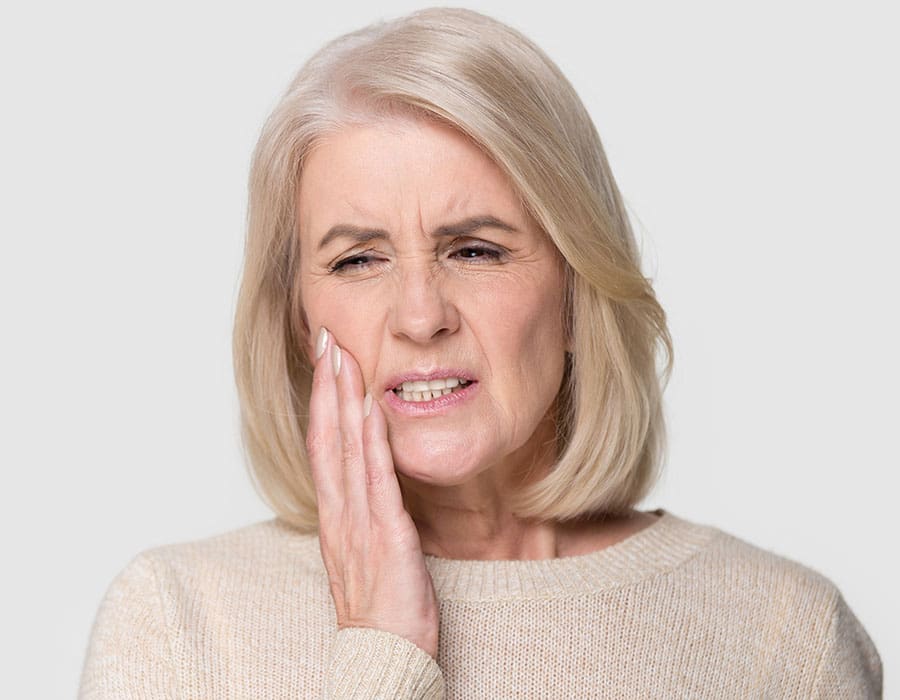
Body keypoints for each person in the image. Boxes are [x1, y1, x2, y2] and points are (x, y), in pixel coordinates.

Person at [78, 7, 882, 698]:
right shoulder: (178, 627)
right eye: (358, 260)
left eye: (475, 250)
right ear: (297, 316)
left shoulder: (784, 639)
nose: (420, 316)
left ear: (577, 287)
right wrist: (382, 654)